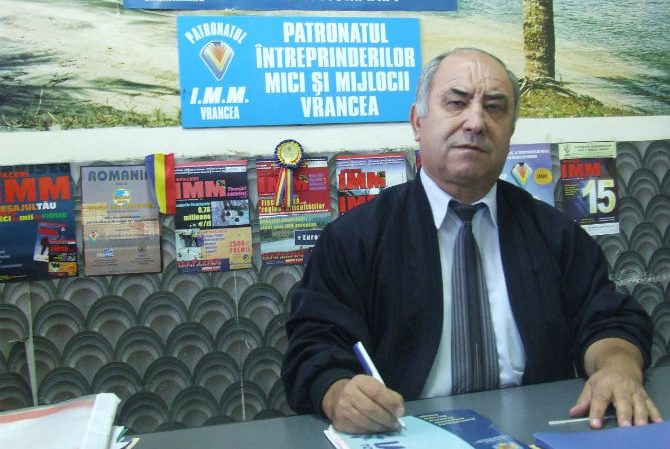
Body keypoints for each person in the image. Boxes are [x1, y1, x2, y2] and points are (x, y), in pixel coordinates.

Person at [280, 48, 662, 434]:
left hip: (536, 431)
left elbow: (608, 320)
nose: (476, 122)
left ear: (510, 132)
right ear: (417, 122)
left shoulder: (555, 234)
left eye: (495, 108)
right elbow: (314, 344)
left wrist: (618, 367)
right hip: (404, 433)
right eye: (456, 103)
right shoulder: (354, 239)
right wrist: (338, 392)